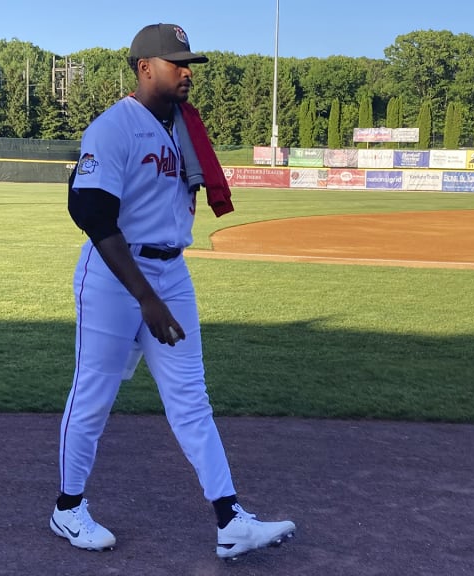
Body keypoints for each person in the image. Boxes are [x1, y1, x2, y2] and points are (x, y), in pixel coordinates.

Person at [51, 22, 295, 560]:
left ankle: (230, 519)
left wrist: (159, 290)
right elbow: (90, 213)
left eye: (189, 64)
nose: (187, 72)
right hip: (116, 275)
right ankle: (68, 509)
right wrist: (145, 297)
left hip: (171, 271)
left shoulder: (184, 126)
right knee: (94, 394)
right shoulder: (114, 128)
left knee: (191, 399)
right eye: (177, 63)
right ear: (145, 68)